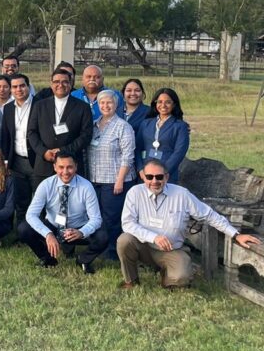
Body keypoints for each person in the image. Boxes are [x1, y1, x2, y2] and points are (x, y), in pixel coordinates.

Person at [118, 158, 261, 289]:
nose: (154, 181)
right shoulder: (134, 193)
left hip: (171, 250)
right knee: (124, 240)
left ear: (166, 177)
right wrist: (154, 237)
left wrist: (236, 234)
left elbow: (209, 215)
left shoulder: (182, 194)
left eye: (159, 177)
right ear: (143, 176)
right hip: (144, 246)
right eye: (150, 177)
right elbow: (128, 223)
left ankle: (167, 276)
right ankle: (131, 281)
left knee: (181, 278)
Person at [18, 152, 107, 273]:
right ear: (54, 167)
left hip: (77, 228)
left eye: (69, 167)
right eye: (61, 167)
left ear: (76, 166)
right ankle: (47, 259)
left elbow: (96, 219)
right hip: (53, 227)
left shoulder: (86, 186)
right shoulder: (46, 185)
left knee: (103, 237)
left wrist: (82, 232)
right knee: (24, 229)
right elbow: (31, 215)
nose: (65, 172)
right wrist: (48, 234)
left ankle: (83, 260)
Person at [88, 89, 136, 259]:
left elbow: (128, 156)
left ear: (116, 105)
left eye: (109, 102)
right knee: (97, 216)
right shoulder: (94, 124)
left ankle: (113, 252)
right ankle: (100, 248)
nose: (105, 106)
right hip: (95, 179)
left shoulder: (123, 127)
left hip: (114, 181)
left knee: (112, 218)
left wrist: (120, 180)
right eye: (102, 103)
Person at [27, 67, 93, 179]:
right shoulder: (39, 105)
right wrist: (44, 152)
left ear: (71, 84)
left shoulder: (83, 107)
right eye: (56, 82)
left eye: (65, 82)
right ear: (51, 84)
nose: (60, 85)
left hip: (71, 167)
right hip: (44, 166)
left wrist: (63, 151)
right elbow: (31, 132)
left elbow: (86, 136)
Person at [0, 73, 37, 217]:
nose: (19, 89)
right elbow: (5, 137)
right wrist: (5, 162)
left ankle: (41, 234)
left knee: (41, 200)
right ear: (10, 89)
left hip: (36, 161)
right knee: (21, 201)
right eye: (14, 87)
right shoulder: (8, 108)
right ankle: (22, 233)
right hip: (17, 162)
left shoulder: (40, 104)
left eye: (22, 86)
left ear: (28, 87)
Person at [135, 88, 190, 182]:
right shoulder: (146, 123)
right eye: (159, 102)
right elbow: (137, 148)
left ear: (174, 104)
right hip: (146, 174)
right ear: (155, 103)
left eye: (168, 102)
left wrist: (164, 172)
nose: (163, 105)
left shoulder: (180, 126)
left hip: (167, 175)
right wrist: (140, 169)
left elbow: (179, 153)